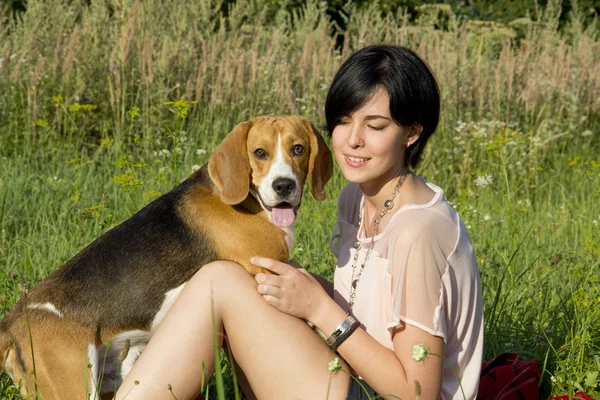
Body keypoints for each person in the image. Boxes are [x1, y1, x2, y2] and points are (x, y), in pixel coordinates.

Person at [115, 45, 484, 400]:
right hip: (349, 375)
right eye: (343, 122)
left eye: (375, 126)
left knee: (223, 281)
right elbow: (372, 307)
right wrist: (307, 286)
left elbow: (415, 393)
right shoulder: (356, 199)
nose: (352, 140)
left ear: (412, 133)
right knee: (238, 277)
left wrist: (320, 310)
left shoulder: (419, 231)